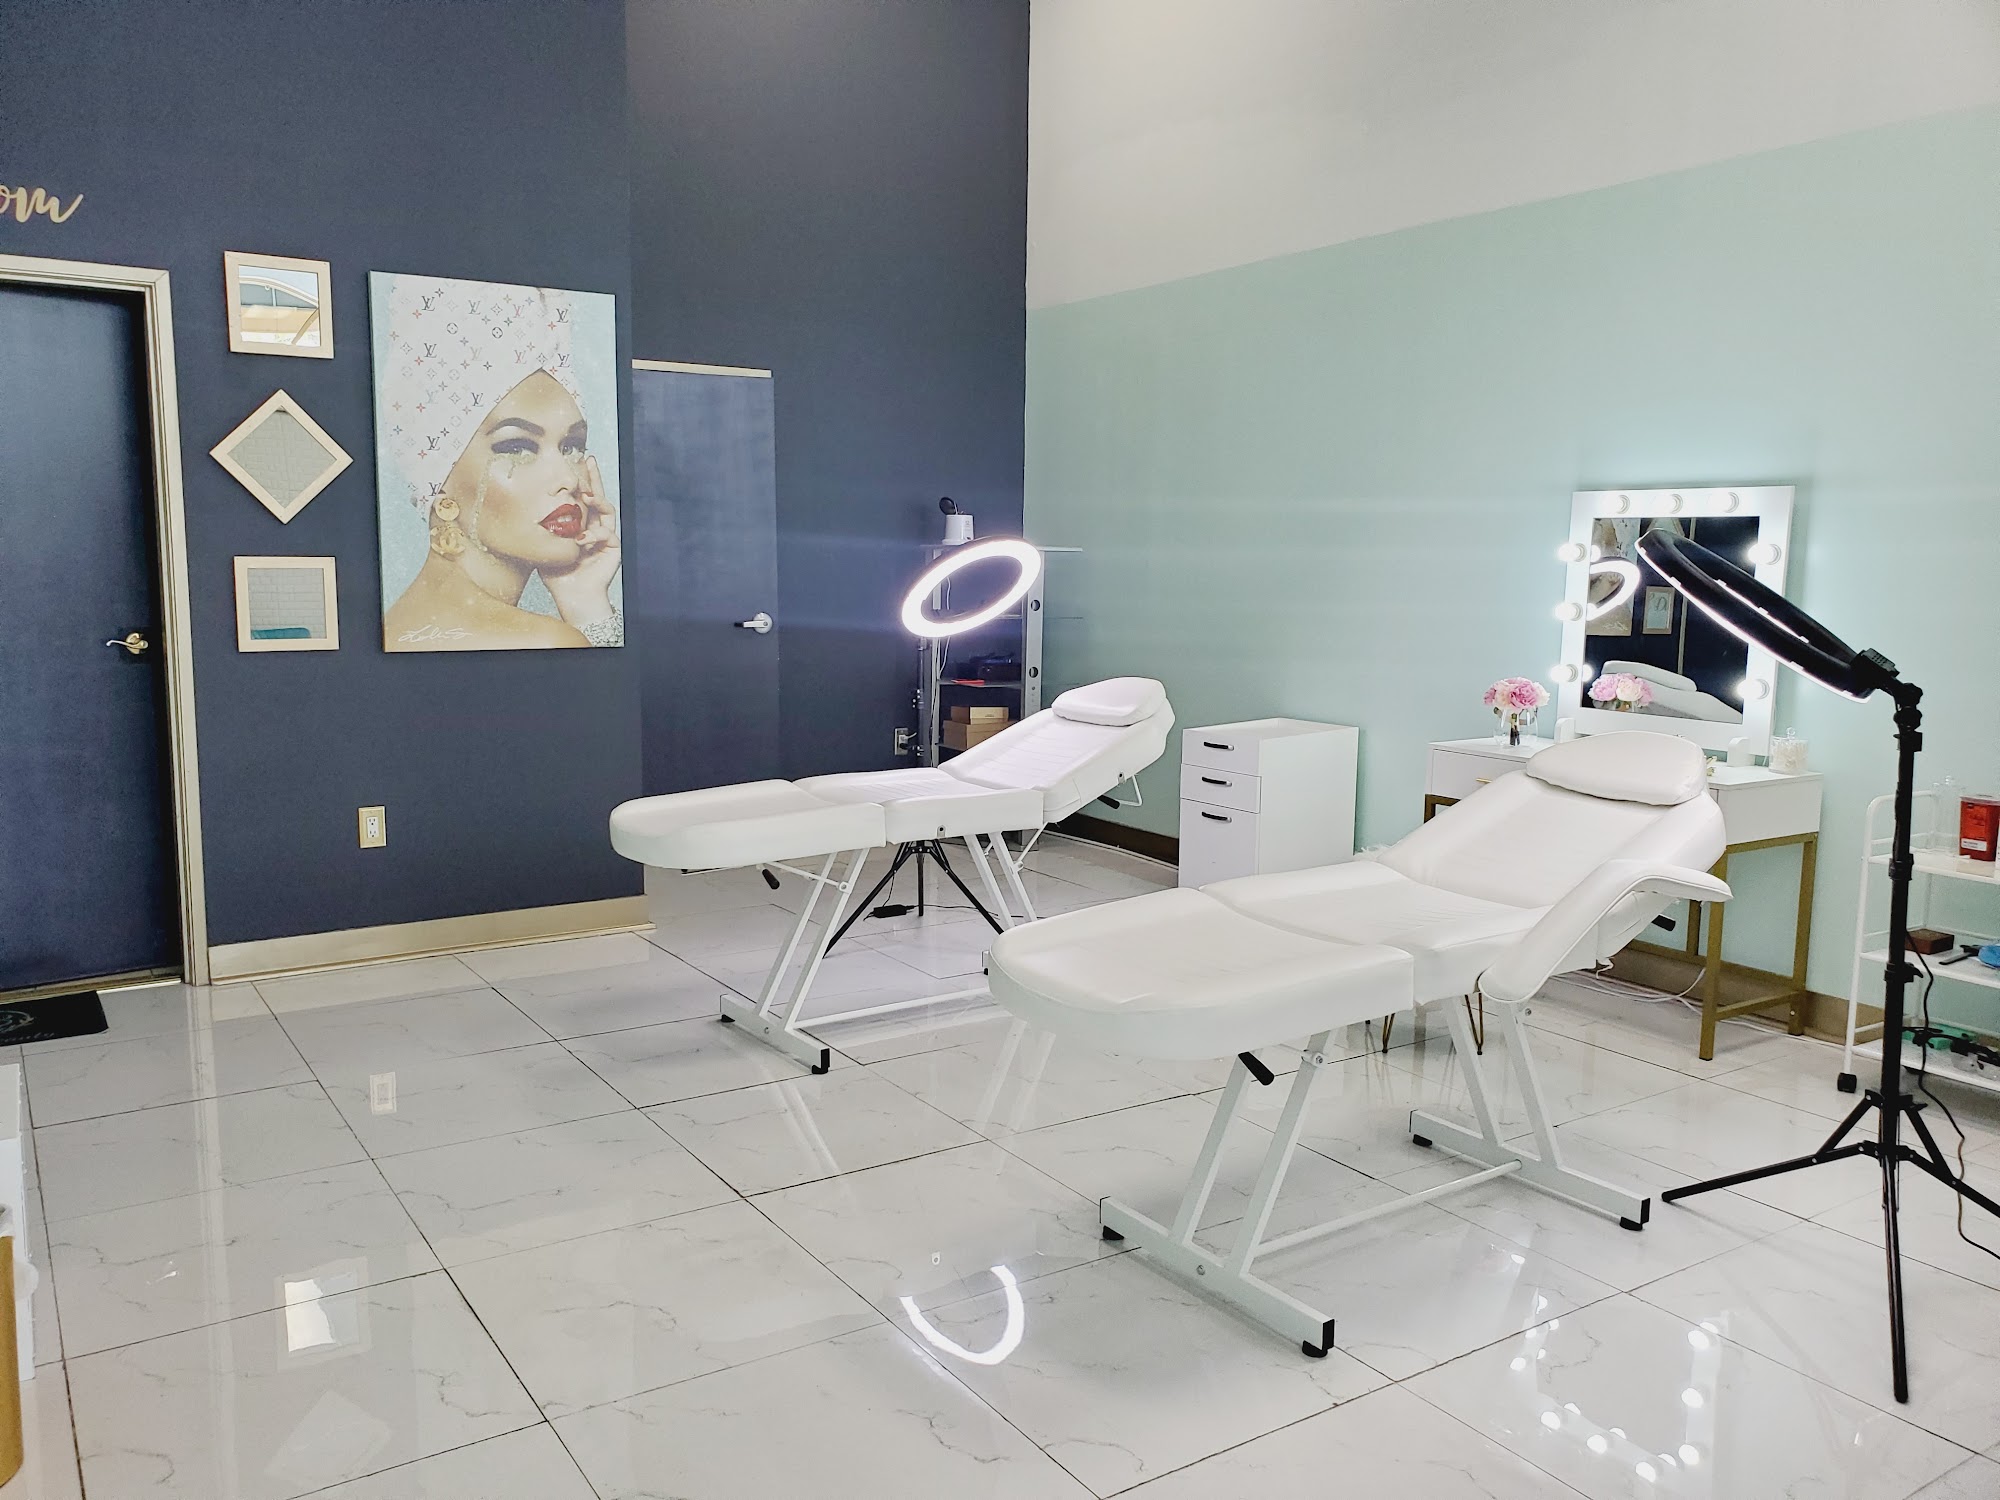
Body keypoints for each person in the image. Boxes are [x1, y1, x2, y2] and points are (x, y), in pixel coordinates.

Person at [379, 277, 621, 650]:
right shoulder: (546, 640)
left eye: (572, 446)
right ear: (438, 481)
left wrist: (583, 600)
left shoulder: (397, 626)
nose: (568, 479)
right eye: (517, 448)